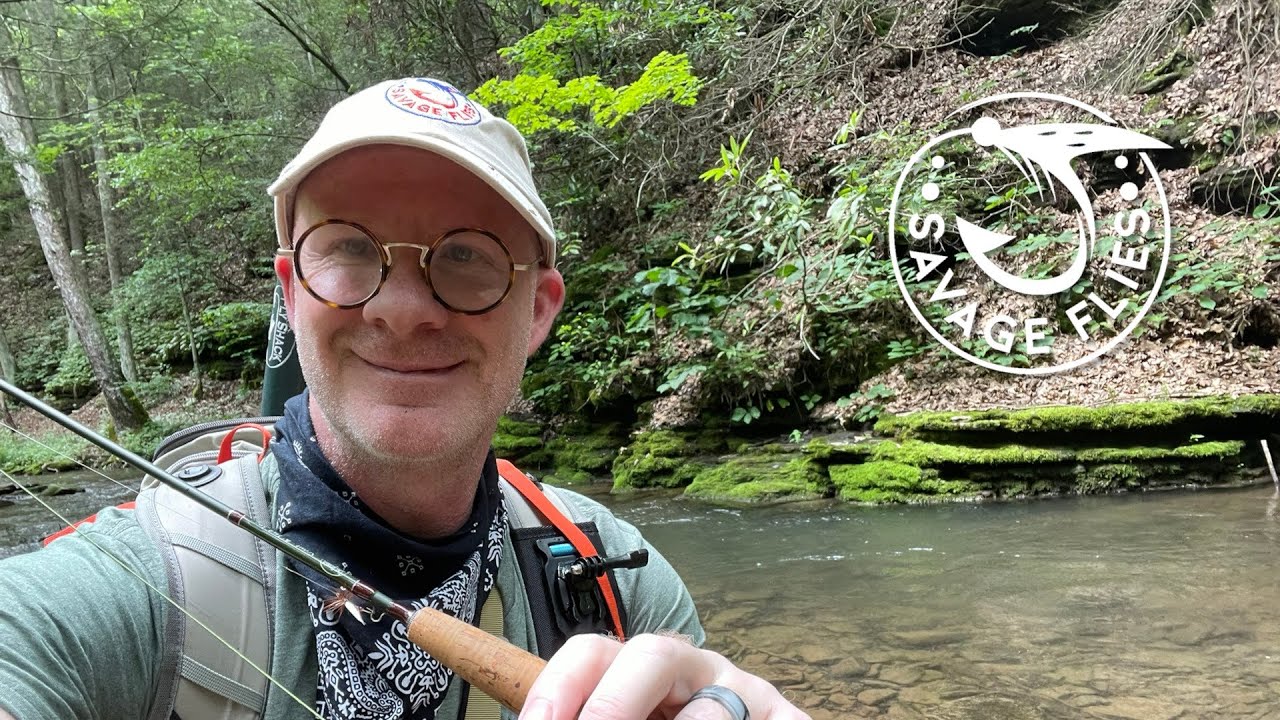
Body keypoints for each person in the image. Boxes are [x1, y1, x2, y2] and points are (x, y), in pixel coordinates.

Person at [0, 77, 810, 720]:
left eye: (465, 255)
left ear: (537, 311)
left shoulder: (619, 586)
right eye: (349, 248)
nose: (401, 307)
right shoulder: (132, 589)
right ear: (292, 293)